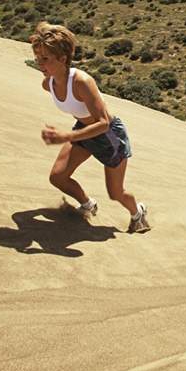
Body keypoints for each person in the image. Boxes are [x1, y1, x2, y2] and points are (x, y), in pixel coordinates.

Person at [29, 21, 150, 234]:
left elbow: (103, 123)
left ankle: (138, 213)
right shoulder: (47, 83)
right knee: (58, 177)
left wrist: (65, 135)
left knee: (116, 193)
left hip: (109, 136)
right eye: (38, 58)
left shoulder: (81, 81)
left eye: (46, 59)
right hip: (83, 131)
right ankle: (88, 204)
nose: (40, 63)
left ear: (63, 58)